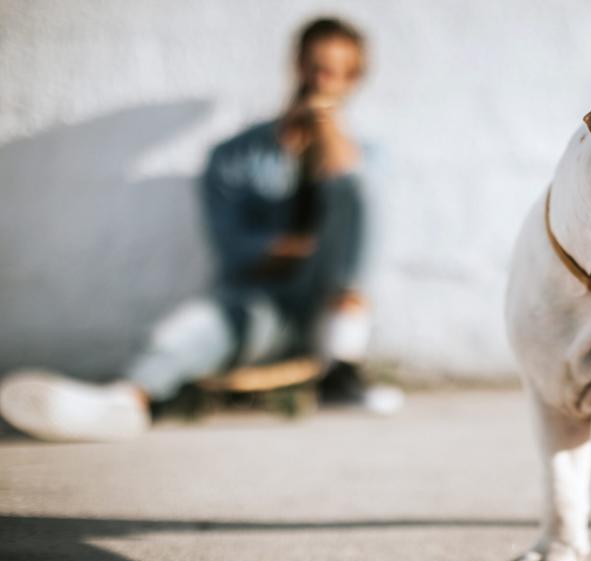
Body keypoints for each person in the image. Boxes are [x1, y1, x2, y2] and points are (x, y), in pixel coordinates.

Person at [0, 17, 401, 442]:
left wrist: (325, 126)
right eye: (314, 66)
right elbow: (233, 251)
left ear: (353, 80)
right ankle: (125, 402)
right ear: (297, 65)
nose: (321, 80)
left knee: (357, 188)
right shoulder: (233, 155)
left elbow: (358, 217)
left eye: (335, 72)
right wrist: (295, 249)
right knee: (193, 327)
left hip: (329, 305)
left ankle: (341, 367)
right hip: (260, 306)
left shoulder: (368, 157)